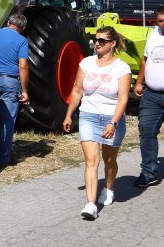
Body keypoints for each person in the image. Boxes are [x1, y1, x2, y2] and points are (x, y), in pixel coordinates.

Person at [63, 26, 131, 220]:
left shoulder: (121, 68)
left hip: (111, 118)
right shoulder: (86, 63)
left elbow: (123, 100)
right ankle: (91, 204)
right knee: (91, 161)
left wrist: (113, 123)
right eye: (96, 39)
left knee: (109, 160)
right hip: (88, 116)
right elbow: (77, 91)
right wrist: (69, 115)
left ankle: (109, 189)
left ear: (113, 44)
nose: (97, 43)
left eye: (102, 40)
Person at [0, 13, 30, 166]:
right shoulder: (22, 40)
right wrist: (24, 90)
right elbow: (23, 66)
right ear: (23, 28)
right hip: (10, 82)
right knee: (8, 120)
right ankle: (4, 157)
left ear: (8, 22)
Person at [133, 6, 164, 188]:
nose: (163, 24)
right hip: (151, 95)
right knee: (146, 131)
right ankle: (148, 172)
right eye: (160, 21)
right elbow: (146, 59)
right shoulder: (154, 34)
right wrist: (139, 82)